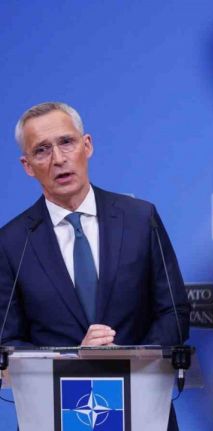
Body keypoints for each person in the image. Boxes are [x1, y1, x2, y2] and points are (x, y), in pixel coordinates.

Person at [0, 102, 190, 429]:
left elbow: (174, 311)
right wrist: (74, 359)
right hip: (55, 414)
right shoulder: (11, 242)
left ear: (86, 145)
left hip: (141, 409)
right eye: (42, 150)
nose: (58, 159)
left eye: (66, 142)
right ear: (27, 165)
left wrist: (124, 359)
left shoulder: (139, 218)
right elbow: (7, 342)